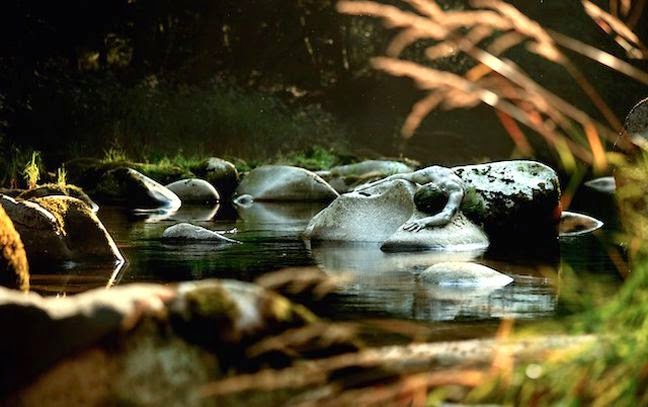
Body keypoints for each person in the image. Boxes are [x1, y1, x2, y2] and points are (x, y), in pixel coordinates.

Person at [354, 166, 465, 232]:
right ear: (427, 184)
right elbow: (398, 176)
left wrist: (424, 221)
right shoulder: (429, 174)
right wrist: (369, 186)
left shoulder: (455, 191)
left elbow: (446, 216)